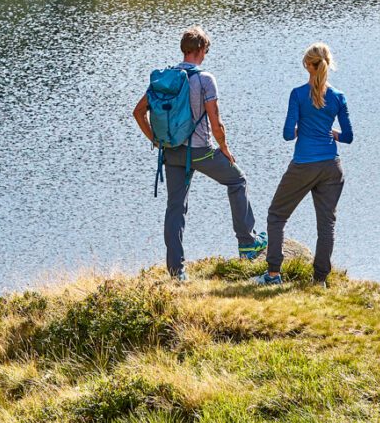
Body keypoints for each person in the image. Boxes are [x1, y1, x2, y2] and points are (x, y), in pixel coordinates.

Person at [133, 26, 266, 281]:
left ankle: (176, 272)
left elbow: (138, 112)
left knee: (175, 208)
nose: (206, 54)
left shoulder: (164, 79)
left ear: (184, 49)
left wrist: (157, 140)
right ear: (201, 50)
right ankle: (247, 243)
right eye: (206, 50)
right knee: (237, 180)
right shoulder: (205, 79)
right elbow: (216, 123)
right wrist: (225, 148)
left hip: (171, 152)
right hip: (200, 152)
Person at [259, 43, 352, 286]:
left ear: (307, 66)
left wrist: (302, 129)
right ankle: (319, 280)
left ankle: (273, 274)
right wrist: (333, 134)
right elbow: (349, 137)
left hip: (303, 165)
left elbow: (288, 134)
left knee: (276, 216)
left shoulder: (298, 94)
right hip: (332, 166)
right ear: (327, 64)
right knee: (326, 224)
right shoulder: (338, 97)